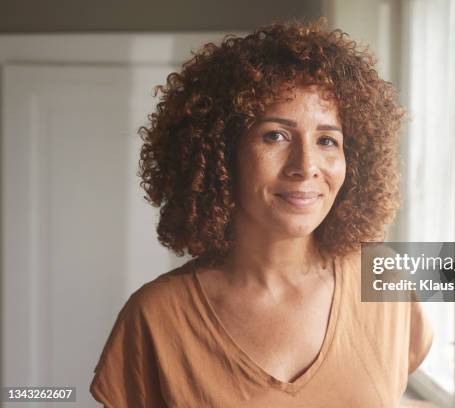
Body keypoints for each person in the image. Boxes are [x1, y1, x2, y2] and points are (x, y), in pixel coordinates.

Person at [89, 19, 433, 407]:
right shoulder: (156, 317)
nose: (306, 165)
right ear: (220, 153)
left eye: (326, 140)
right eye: (275, 136)